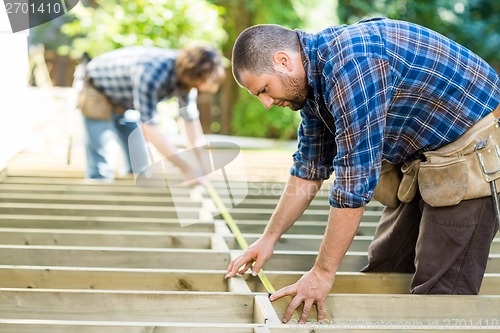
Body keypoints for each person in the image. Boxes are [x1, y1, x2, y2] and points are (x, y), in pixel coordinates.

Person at [225, 17, 500, 324]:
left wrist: (323, 272)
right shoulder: (311, 87)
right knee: (386, 266)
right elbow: (308, 168)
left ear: (283, 60)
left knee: (441, 298)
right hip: (421, 156)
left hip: (470, 151)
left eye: (264, 89)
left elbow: (354, 182)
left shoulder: (352, 64)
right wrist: (268, 238)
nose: (266, 102)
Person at [76, 45, 225, 182]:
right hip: (96, 87)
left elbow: (190, 123)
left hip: (123, 100)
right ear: (192, 74)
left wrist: (202, 166)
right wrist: (186, 169)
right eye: (201, 82)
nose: (202, 87)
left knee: (139, 169)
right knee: (101, 167)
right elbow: (151, 130)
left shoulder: (188, 80)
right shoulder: (151, 74)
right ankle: (99, 181)